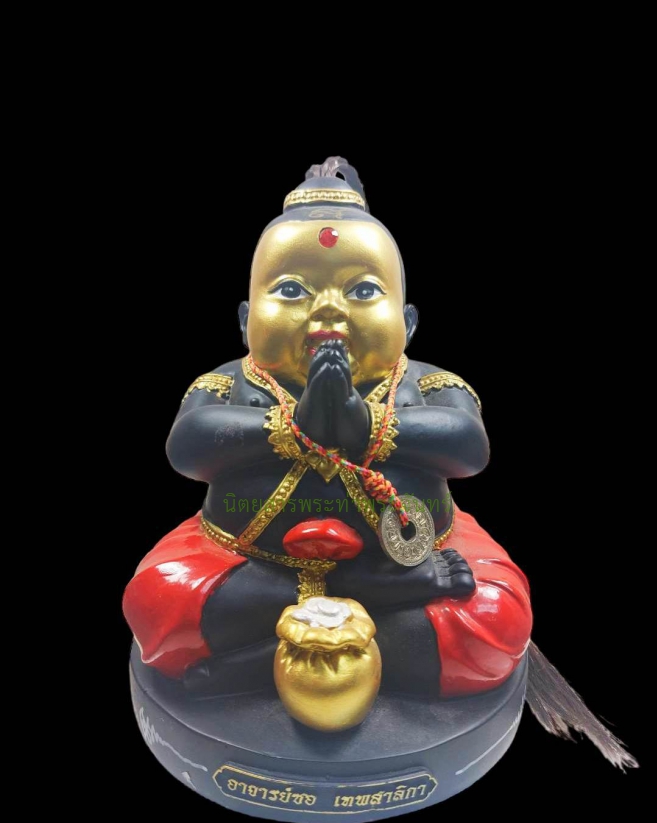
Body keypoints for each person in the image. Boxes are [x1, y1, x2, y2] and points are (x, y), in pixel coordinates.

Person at [123, 157, 532, 699]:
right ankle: (371, 598)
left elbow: (467, 445)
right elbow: (190, 444)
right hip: (251, 564)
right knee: (157, 600)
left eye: (362, 291)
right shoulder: (229, 381)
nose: (328, 311)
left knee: (497, 619)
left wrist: (366, 425)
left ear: (407, 323)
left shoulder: (424, 382)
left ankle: (257, 660)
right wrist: (291, 425)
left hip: (418, 554)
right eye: (292, 290)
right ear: (246, 320)